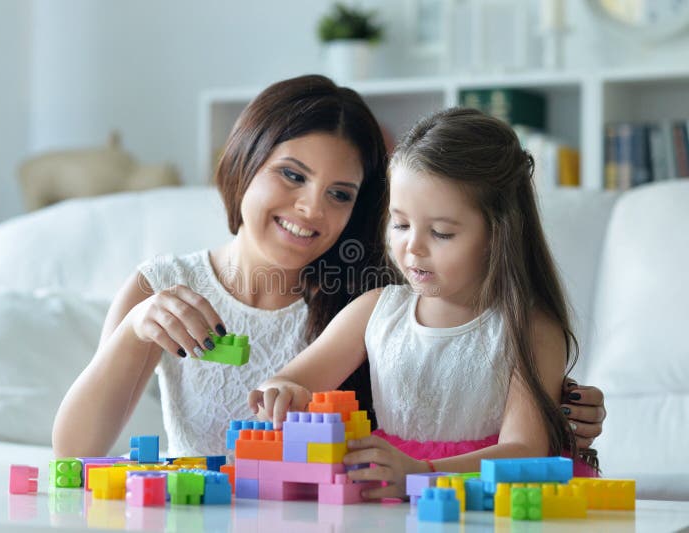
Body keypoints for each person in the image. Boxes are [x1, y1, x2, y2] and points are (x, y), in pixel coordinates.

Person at [52, 76, 605, 459]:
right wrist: (135, 328)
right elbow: (74, 452)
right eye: (291, 175)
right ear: (245, 160)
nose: (311, 209)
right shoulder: (164, 288)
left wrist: (560, 405)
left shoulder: (374, 294)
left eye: (340, 194)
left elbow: (454, 380)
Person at [250, 107, 599, 500]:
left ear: (498, 235)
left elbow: (526, 451)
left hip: (479, 496)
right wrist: (279, 393)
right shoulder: (377, 309)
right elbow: (295, 379)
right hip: (385, 487)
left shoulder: (528, 328)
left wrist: (422, 474)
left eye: (441, 233)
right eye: (400, 224)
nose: (412, 247)